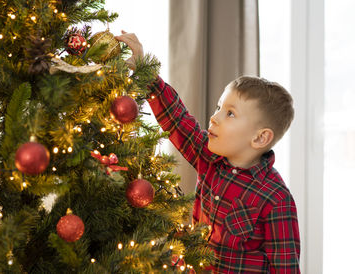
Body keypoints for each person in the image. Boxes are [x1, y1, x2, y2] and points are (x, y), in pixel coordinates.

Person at [116, 31, 301, 273]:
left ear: (259, 137)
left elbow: (285, 268)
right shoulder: (210, 158)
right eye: (218, 108)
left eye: (230, 113)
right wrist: (147, 74)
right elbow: (178, 120)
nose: (214, 118)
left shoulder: (276, 199)